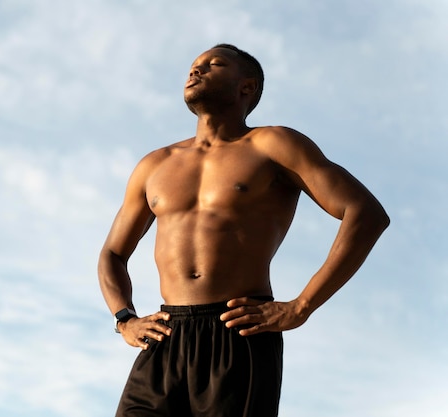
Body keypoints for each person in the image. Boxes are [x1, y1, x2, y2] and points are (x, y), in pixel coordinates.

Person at [97, 43, 389, 417]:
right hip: (165, 337)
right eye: (194, 65)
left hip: (239, 333)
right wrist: (125, 319)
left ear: (246, 87)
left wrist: (302, 306)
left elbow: (365, 212)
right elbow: (112, 254)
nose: (196, 70)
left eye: (214, 64)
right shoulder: (155, 164)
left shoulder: (273, 144)